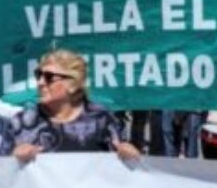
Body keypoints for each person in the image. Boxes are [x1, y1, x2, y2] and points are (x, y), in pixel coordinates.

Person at [8, 50, 139, 162]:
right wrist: (13, 157)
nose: (40, 82)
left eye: (49, 77)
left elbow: (122, 169)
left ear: (73, 85)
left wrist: (129, 153)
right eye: (39, 75)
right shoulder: (20, 122)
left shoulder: (101, 118)